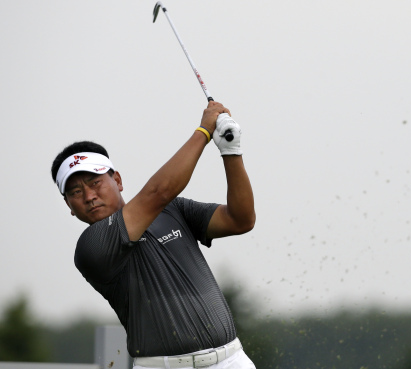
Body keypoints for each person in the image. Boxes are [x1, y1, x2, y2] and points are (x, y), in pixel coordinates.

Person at [50, 101, 257, 369]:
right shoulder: (92, 247)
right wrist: (203, 132)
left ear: (118, 180)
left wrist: (231, 151)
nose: (89, 197)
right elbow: (157, 193)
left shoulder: (172, 209)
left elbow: (241, 220)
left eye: (94, 182)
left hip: (232, 360)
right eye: (76, 192)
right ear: (69, 205)